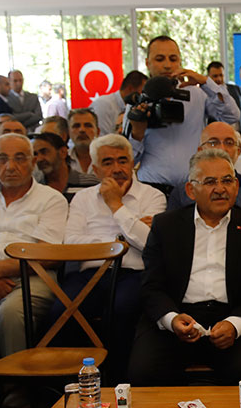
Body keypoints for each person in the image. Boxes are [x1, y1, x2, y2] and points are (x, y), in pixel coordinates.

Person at [129, 149, 241, 385]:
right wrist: (172, 320)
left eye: (227, 180)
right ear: (190, 190)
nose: (220, 189)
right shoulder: (166, 225)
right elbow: (151, 285)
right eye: (210, 182)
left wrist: (235, 325)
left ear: (236, 186)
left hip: (232, 316)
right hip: (178, 314)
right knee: (144, 371)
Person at [61, 134, 166, 382]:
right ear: (95, 169)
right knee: (60, 312)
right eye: (108, 162)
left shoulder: (153, 196)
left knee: (122, 309)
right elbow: (71, 243)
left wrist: (116, 204)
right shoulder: (83, 198)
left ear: (133, 163)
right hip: (89, 274)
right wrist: (122, 238)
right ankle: (73, 384)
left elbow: (149, 244)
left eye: (123, 161)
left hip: (134, 274)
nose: (117, 168)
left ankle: (119, 382)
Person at [0, 133, 69, 357]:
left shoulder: (51, 199)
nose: (10, 166)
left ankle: (16, 379)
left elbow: (47, 255)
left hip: (33, 277)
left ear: (33, 161)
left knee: (11, 313)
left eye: (20, 158)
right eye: (2, 159)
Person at [129, 36, 239, 192]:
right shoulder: (138, 101)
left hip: (193, 187)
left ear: (180, 61)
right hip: (151, 188)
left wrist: (205, 82)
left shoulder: (197, 94)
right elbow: (129, 160)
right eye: (160, 59)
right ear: (147, 63)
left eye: (173, 59)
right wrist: (137, 133)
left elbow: (231, 115)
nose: (167, 65)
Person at [167, 121, 241, 216]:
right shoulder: (182, 193)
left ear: (238, 152)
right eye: (213, 143)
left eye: (229, 143)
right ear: (200, 151)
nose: (222, 148)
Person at [32, 132, 99, 202]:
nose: (39, 159)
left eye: (44, 152)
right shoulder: (34, 189)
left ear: (63, 152)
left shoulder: (91, 184)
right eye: (35, 154)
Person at [91, 70, 147, 137]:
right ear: (130, 89)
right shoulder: (103, 104)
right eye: (142, 92)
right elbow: (101, 138)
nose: (144, 96)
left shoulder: (133, 107)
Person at [205, 61, 241, 137]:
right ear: (208, 77)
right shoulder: (205, 94)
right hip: (218, 136)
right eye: (215, 76)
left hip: (239, 135)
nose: (219, 79)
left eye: (221, 75)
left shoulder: (235, 89)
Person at [67, 108, 99, 175]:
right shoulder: (62, 160)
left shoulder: (107, 158)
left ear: (97, 132)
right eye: (76, 126)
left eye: (88, 125)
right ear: (68, 132)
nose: (82, 130)